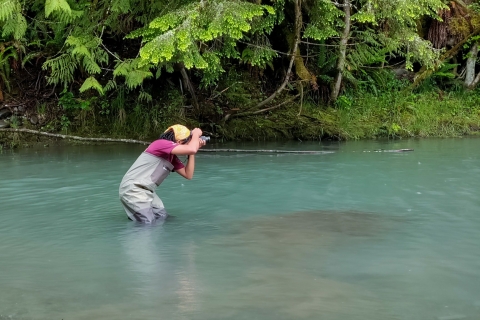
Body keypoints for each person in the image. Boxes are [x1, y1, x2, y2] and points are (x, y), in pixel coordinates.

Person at [119, 124, 205, 223]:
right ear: (179, 142)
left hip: (147, 191)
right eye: (188, 142)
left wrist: (192, 153)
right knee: (147, 224)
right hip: (133, 189)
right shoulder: (160, 144)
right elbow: (192, 148)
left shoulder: (171, 157)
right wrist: (196, 134)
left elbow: (188, 174)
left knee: (163, 218)